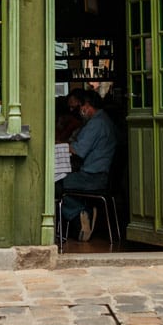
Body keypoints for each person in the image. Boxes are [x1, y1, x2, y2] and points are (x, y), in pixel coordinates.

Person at [56, 89, 117, 242]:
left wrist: (58, 144)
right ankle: (84, 213)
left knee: (53, 184)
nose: (78, 111)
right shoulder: (103, 120)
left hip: (92, 177)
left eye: (79, 107)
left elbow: (78, 150)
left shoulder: (96, 123)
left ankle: (81, 213)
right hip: (98, 175)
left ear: (87, 105)